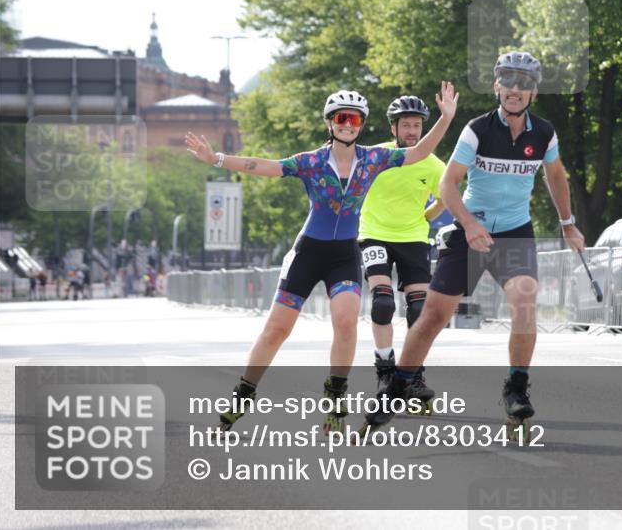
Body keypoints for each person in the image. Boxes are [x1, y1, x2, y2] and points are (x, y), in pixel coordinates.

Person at [185, 83, 457, 433]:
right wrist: (215, 158)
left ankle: (335, 399)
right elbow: (263, 165)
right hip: (308, 253)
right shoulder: (311, 162)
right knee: (276, 331)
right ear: (330, 122)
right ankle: (243, 394)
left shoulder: (373, 159)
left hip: (343, 255)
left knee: (345, 324)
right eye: (342, 118)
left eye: (355, 119)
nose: (348, 124)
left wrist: (446, 118)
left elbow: (420, 152)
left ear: (361, 125)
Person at [362, 52, 585, 440]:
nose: (514, 90)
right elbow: (448, 185)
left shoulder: (544, 133)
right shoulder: (477, 129)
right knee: (432, 317)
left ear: (532, 91)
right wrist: (468, 225)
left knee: (525, 303)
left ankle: (516, 388)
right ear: (497, 86)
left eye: (523, 84)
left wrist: (568, 224)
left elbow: (555, 175)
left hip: (514, 232)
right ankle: (397, 390)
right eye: (507, 82)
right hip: (469, 231)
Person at [357, 96, 446, 402]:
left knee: (420, 310)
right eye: (405, 125)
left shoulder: (432, 163)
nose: (412, 131)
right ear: (393, 127)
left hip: (413, 239)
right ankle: (384, 372)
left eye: (417, 125)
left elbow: (447, 196)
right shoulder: (376, 156)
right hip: (375, 235)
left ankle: (413, 377)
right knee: (382, 303)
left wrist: (427, 216)